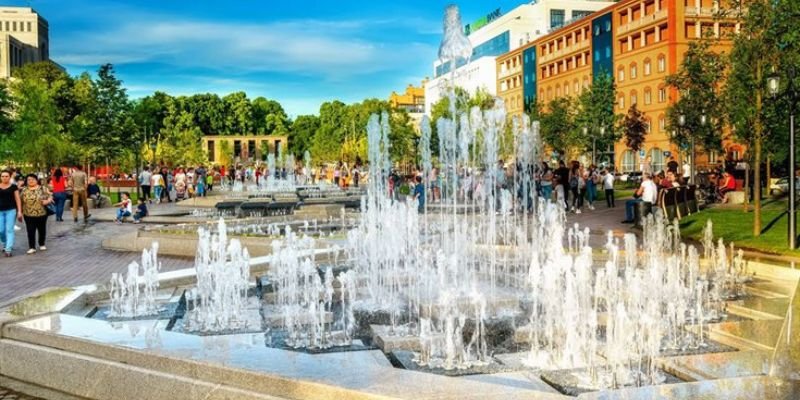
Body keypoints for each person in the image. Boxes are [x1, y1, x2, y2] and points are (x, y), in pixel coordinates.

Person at [20, 174, 52, 254]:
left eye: (32, 179)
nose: (31, 181)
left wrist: (47, 201)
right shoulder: (24, 190)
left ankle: (41, 243)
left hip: (41, 213)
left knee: (42, 230)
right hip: (28, 214)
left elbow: (50, 196)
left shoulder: (42, 188)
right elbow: (20, 201)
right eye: (29, 180)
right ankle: (32, 247)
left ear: (36, 180)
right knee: (30, 230)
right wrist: (19, 212)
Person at [0, 170, 22, 257]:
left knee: (10, 230)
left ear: (10, 177)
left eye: (6, 176)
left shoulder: (13, 187)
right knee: (1, 230)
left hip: (11, 210)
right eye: (3, 176)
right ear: (0, 177)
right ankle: (5, 244)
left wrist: (19, 211)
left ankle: (8, 249)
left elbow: (17, 199)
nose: (5, 178)